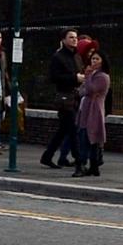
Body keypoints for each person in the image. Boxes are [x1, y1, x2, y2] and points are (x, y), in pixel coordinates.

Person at [39, 29, 83, 169]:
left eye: (75, 37)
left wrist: (80, 79)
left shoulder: (76, 56)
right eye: (71, 37)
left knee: (63, 129)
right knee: (72, 129)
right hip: (64, 97)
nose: (74, 40)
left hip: (74, 95)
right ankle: (79, 161)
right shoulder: (58, 57)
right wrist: (74, 78)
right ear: (63, 40)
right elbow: (54, 77)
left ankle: (47, 156)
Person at [73, 49, 110, 178]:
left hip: (94, 111)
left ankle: (82, 165)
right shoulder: (92, 75)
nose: (94, 61)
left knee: (88, 137)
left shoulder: (102, 77)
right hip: (85, 109)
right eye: (93, 59)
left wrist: (87, 77)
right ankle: (93, 166)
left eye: (97, 59)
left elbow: (91, 89)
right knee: (86, 137)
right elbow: (81, 91)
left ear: (102, 62)